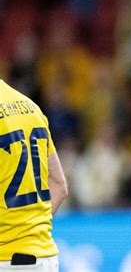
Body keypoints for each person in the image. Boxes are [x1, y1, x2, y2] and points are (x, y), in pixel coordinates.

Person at [0, 79, 68, 271]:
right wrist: (29, 229)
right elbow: (58, 185)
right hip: (45, 257)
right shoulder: (31, 107)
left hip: (6, 260)